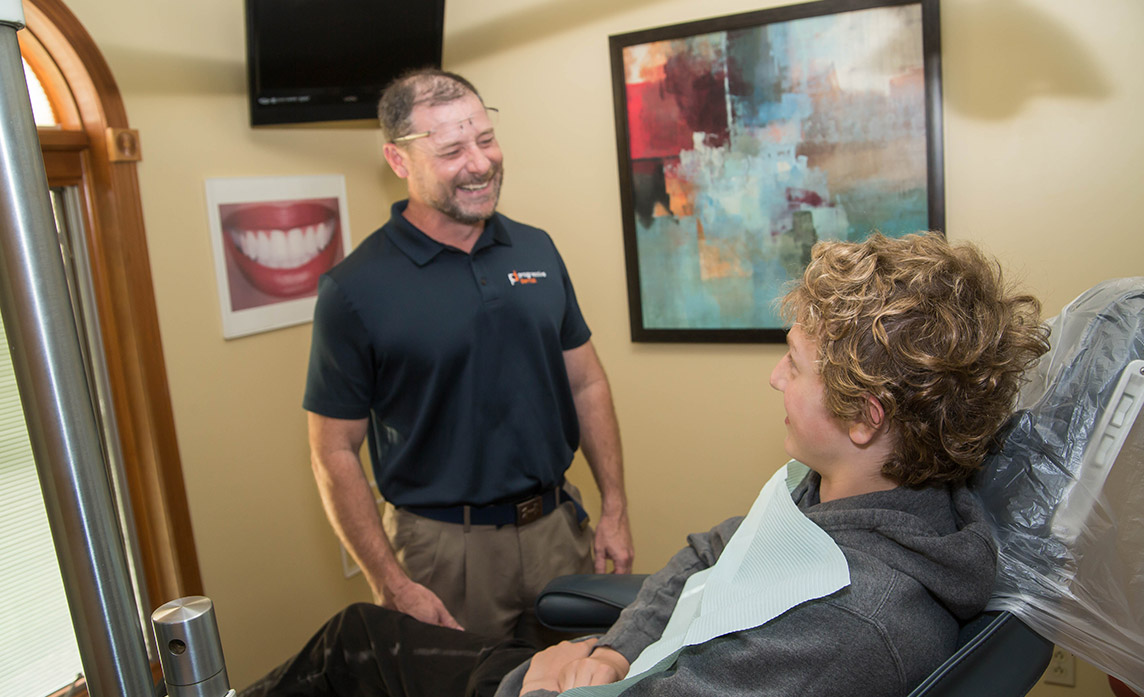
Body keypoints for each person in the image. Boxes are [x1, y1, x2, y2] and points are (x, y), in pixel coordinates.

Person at [253, 231, 1050, 696]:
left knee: (354, 656)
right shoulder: (851, 496)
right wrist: (613, 647)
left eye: (794, 365)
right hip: (632, 666)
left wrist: (565, 678)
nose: (775, 377)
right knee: (358, 632)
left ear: (865, 415)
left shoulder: (851, 622)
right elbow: (712, 549)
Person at [302, 68, 633, 644]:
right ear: (399, 161)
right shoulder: (353, 290)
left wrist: (615, 506)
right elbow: (333, 451)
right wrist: (391, 582)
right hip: (442, 556)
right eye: (452, 149)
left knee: (583, 681)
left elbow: (586, 384)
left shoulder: (536, 248)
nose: (479, 163)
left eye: (484, 139)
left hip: (556, 529)